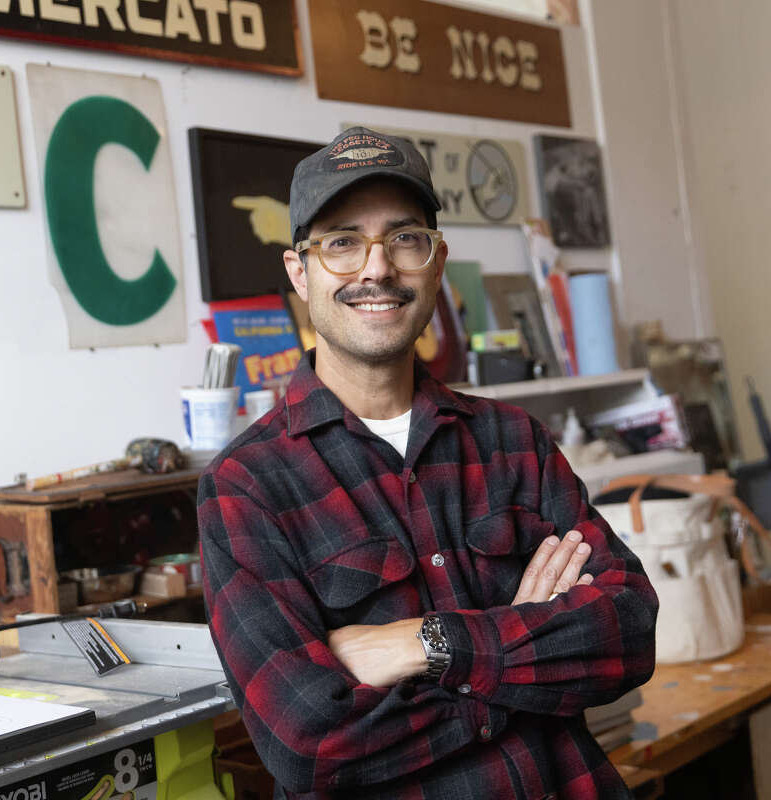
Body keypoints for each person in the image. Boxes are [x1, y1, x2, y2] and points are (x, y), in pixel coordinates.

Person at [198, 127, 658, 799]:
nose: (376, 268)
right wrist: (526, 656)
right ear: (300, 271)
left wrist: (424, 644)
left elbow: (628, 631)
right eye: (342, 242)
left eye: (403, 239)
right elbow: (311, 742)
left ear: (436, 261)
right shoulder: (245, 486)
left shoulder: (513, 441)